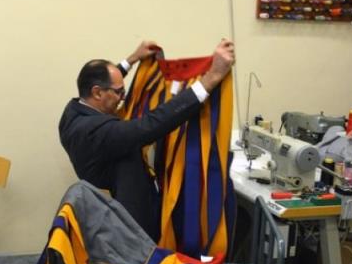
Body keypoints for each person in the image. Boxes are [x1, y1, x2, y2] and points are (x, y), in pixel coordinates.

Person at [58, 39, 236, 239]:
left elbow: (104, 82)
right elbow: (151, 124)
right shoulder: (94, 131)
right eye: (119, 92)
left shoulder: (72, 111)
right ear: (97, 92)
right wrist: (210, 79)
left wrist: (131, 60)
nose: (123, 98)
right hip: (130, 224)